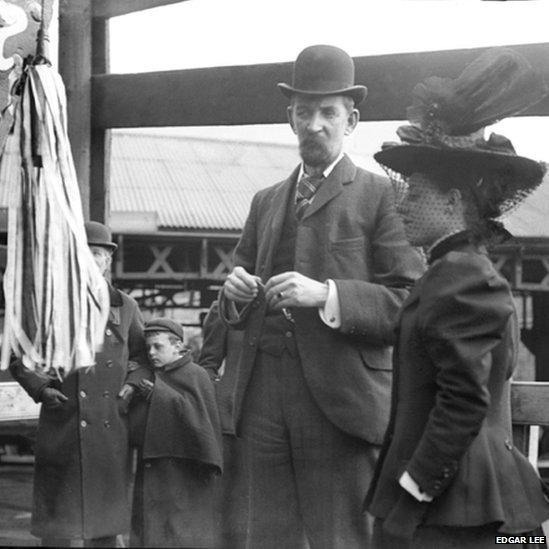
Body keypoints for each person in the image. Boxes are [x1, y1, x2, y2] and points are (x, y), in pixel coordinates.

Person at [219, 44, 425, 548]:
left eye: (327, 112)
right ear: (289, 118)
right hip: (261, 399)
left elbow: (412, 303)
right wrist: (232, 293)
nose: (314, 124)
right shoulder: (265, 201)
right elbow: (229, 304)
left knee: (341, 539)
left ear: (351, 120)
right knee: (266, 537)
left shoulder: (384, 196)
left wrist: (328, 295)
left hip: (341, 403)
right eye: (303, 111)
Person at [364, 48, 549, 548]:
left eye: (416, 195)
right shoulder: (449, 272)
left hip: (452, 510)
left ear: (452, 204)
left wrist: (413, 491)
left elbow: (464, 402)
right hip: (445, 503)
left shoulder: (464, 279)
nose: (401, 205)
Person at [10, 221, 148, 547]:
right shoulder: (49, 305)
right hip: (64, 423)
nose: (90, 259)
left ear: (107, 261)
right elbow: (19, 355)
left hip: (110, 426)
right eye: (83, 252)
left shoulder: (125, 306)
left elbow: (142, 360)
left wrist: (131, 386)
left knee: (104, 526)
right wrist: (42, 388)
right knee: (57, 527)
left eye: (97, 253)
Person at [125, 317, 223, 548]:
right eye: (148, 347)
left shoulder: (196, 375)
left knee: (180, 530)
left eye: (158, 346)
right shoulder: (151, 374)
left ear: (178, 346)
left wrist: (158, 394)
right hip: (153, 466)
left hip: (185, 469)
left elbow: (201, 424)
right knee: (150, 530)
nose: (151, 352)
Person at [198, 300, 247, 548]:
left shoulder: (295, 297)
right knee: (229, 507)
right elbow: (207, 364)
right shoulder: (226, 305)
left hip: (285, 419)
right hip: (232, 423)